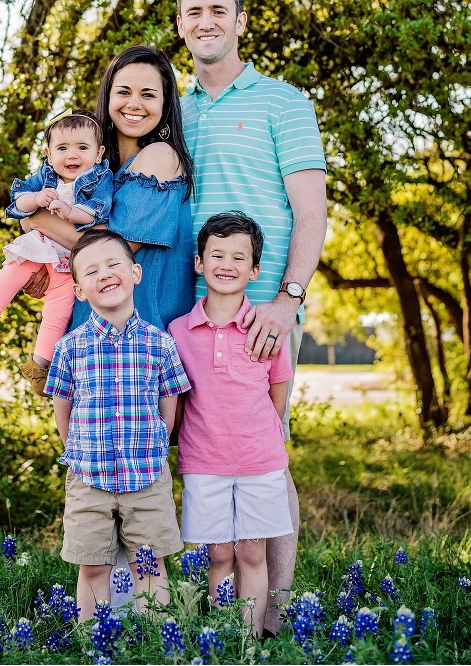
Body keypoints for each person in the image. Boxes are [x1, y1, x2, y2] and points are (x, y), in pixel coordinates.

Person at [176, 0, 327, 615]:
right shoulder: (173, 112)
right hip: (189, 315)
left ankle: (277, 610)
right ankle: (217, 608)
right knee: (200, 452)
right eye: (192, 13)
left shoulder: (284, 102)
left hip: (264, 312)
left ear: (240, 21)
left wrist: (288, 297)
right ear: (180, 26)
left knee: (267, 459)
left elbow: (312, 211)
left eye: (218, 10)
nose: (205, 21)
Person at [44, 228, 191, 620]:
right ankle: (94, 640)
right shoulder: (69, 347)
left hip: (146, 474)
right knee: (92, 565)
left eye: (113, 264)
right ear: (78, 291)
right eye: (90, 271)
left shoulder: (160, 344)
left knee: (149, 565)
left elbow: (169, 405)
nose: (104, 274)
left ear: (135, 273)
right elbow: (63, 406)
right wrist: (74, 452)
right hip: (88, 475)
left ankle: (155, 640)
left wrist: (157, 445)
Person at [169, 212, 294, 638]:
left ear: (254, 270)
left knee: (252, 553)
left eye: (239, 257)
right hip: (204, 461)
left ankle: (250, 639)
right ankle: (222, 638)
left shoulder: (266, 327)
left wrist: (261, 433)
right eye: (216, 254)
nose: (227, 263)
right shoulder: (178, 331)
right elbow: (180, 399)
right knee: (218, 555)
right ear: (200, 263)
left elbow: (278, 390)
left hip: (260, 459)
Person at [20, 45, 197, 335]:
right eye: (124, 92)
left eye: (149, 95)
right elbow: (28, 197)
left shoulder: (160, 157)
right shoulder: (88, 163)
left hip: (138, 333)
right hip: (85, 326)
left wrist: (35, 219)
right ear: (109, 96)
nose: (135, 104)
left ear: (165, 104)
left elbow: (117, 251)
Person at [0, 110, 113, 393]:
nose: (72, 156)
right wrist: (36, 198)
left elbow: (97, 212)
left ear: (99, 153)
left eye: (82, 148)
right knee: (12, 271)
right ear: (49, 155)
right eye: (62, 148)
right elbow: (19, 202)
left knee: (58, 311)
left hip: (68, 260)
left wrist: (71, 211)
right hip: (39, 248)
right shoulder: (46, 176)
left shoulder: (101, 178)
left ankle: (39, 367)